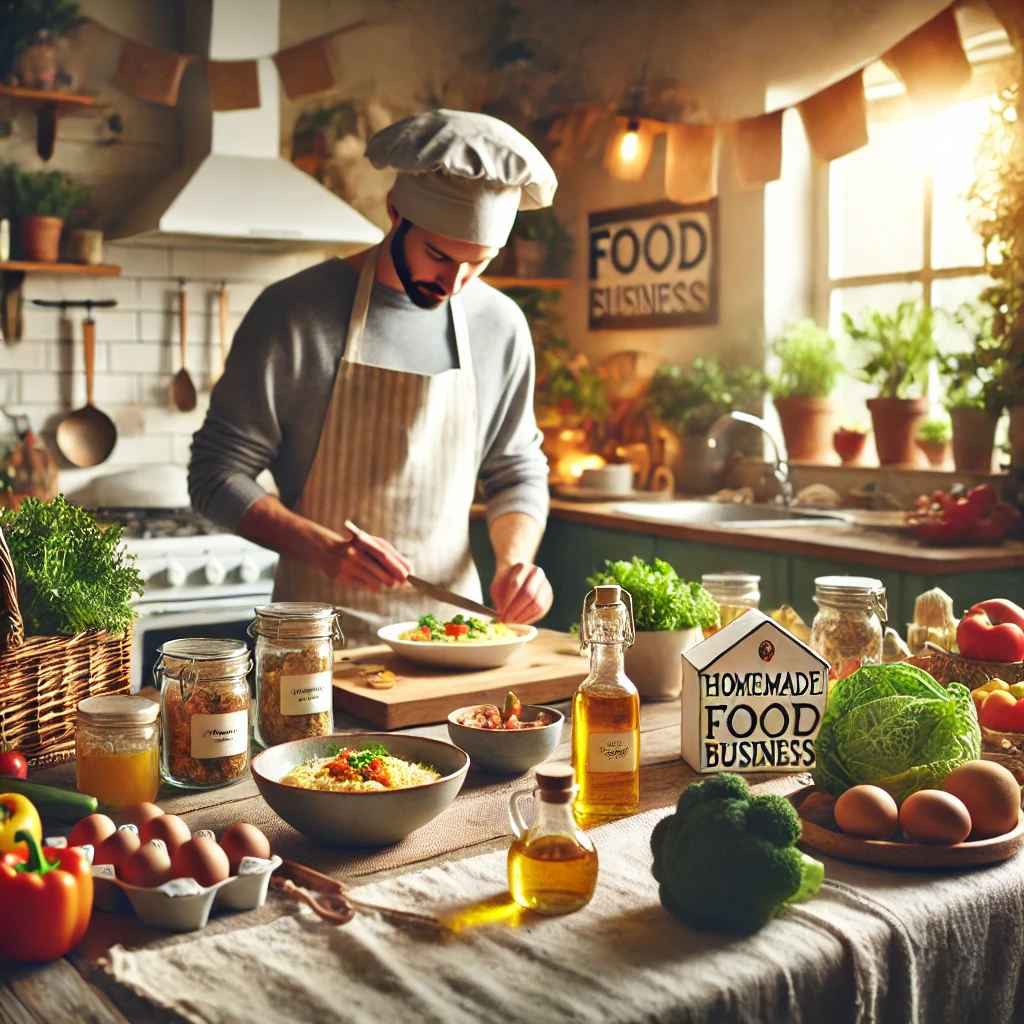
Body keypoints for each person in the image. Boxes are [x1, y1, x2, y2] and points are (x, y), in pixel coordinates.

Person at [188, 109, 556, 647]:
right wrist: (322, 549)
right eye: (437, 254)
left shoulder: (500, 326)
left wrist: (515, 563)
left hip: (456, 639)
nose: (454, 282)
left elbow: (516, 469)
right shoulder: (293, 314)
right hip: (315, 648)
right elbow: (215, 476)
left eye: (478, 264)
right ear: (393, 212)